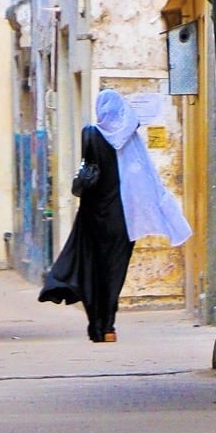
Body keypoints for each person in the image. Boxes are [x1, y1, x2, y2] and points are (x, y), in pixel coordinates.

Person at [39, 89, 191, 342]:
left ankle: (95, 325)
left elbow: (87, 170)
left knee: (91, 269)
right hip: (123, 218)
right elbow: (145, 176)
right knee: (114, 272)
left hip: (92, 217)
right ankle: (108, 326)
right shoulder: (131, 137)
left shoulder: (90, 133)